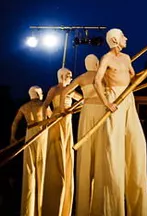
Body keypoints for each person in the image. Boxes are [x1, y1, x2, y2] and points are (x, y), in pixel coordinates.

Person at [92, 28, 147, 216]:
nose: (126, 38)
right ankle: (113, 207)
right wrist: (107, 103)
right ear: (114, 39)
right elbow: (97, 81)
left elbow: (133, 78)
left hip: (128, 98)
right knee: (114, 149)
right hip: (114, 99)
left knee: (138, 143)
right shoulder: (106, 59)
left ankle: (137, 206)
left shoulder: (127, 58)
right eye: (123, 36)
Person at [68, 54, 108, 216]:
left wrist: (83, 98)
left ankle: (85, 204)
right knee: (101, 150)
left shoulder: (81, 77)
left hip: (87, 110)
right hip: (100, 110)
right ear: (97, 63)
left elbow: (66, 92)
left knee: (87, 152)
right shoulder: (102, 75)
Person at [42, 67, 81, 216]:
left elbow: (82, 100)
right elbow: (45, 104)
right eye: (69, 75)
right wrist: (51, 115)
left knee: (66, 146)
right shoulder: (54, 89)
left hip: (67, 120)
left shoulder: (70, 89)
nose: (71, 77)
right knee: (56, 145)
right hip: (57, 119)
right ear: (62, 76)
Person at [10, 86, 51, 216]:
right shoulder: (43, 105)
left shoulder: (24, 107)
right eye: (41, 93)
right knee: (41, 167)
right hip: (41, 134)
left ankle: (29, 210)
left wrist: (13, 136)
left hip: (30, 133)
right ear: (38, 94)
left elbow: (15, 123)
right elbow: (52, 118)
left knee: (30, 169)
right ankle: (39, 209)